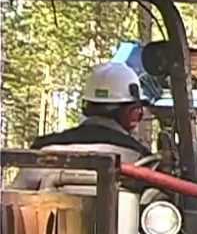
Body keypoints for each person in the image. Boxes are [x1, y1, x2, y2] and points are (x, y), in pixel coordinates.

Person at [11, 61, 151, 190]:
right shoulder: (139, 160)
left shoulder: (40, 153)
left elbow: (10, 204)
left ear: (86, 105)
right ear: (131, 114)